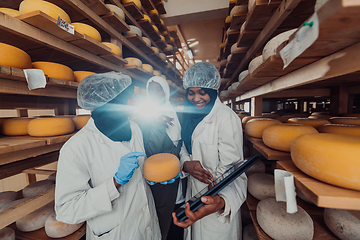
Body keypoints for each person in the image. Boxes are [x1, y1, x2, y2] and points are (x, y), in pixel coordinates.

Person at [55, 72, 161, 240]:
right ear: (112, 103)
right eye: (128, 98)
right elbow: (67, 210)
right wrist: (114, 183)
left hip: (147, 226)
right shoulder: (76, 148)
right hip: (115, 233)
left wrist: (152, 176)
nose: (134, 102)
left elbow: (140, 174)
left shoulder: (133, 128)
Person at [172, 62, 247, 240]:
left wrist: (221, 200)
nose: (196, 98)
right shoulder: (188, 116)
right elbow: (183, 145)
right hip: (193, 196)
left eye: (202, 92)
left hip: (217, 203)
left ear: (213, 90)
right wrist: (185, 164)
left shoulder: (226, 118)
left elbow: (233, 170)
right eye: (191, 92)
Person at [134, 76, 188, 240]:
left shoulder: (178, 114)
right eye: (151, 90)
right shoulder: (144, 119)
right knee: (163, 221)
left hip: (182, 178)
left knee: (180, 218)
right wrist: (157, 127)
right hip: (161, 182)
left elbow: (185, 143)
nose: (155, 93)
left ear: (165, 91)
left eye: (159, 89)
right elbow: (148, 152)